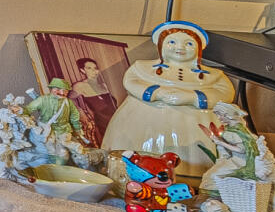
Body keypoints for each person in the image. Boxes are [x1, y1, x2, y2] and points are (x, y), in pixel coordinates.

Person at [99, 20, 237, 166]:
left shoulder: (214, 75)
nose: (180, 47)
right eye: (172, 42)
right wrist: (157, 93)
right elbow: (131, 81)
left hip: (196, 124)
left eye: (189, 44)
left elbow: (226, 92)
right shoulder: (142, 67)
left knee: (200, 162)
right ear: (161, 45)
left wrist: (193, 97)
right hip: (144, 122)